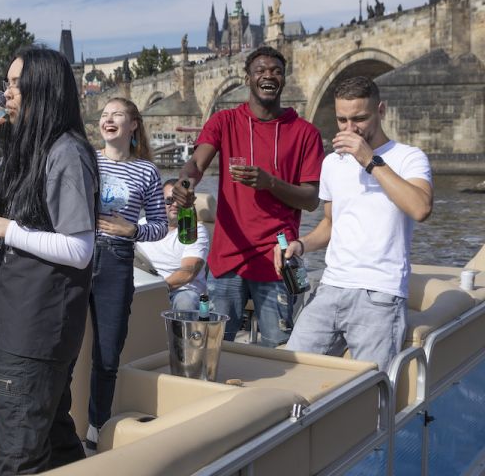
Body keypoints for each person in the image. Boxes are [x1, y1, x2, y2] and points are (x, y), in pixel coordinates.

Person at [0, 45, 98, 475]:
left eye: (17, 84)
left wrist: (5, 229)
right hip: (19, 321)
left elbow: (80, 249)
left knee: (17, 456)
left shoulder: (66, 153)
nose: (6, 94)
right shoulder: (27, 150)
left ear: (43, 89)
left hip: (38, 328)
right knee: (55, 440)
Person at [172, 46, 324, 347]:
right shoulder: (224, 121)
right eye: (261, 71)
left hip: (277, 261)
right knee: (212, 347)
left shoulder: (305, 133)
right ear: (248, 79)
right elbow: (196, 165)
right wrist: (185, 184)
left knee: (278, 351)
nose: (268, 75)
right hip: (228, 259)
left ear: (283, 79)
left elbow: (311, 200)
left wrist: (270, 183)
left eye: (276, 71)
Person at [281, 76, 432, 373]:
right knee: (293, 372)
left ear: (381, 110)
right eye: (342, 120)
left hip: (380, 296)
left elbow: (420, 208)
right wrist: (300, 245)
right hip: (330, 287)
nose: (350, 129)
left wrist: (369, 160)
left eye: (359, 119)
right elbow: (330, 223)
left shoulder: (408, 157)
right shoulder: (332, 163)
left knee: (371, 390)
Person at [85, 97, 167, 447]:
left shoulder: (146, 171)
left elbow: (161, 225)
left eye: (117, 114)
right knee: (61, 345)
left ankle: (95, 429)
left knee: (107, 354)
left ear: (133, 125)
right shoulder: (86, 160)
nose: (108, 118)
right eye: (104, 114)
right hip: (78, 255)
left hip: (117, 261)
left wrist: (131, 231)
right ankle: (56, 428)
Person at [135, 178, 210, 311]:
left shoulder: (196, 230)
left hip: (182, 290)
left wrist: (154, 289)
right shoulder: (142, 224)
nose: (175, 204)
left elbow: (187, 273)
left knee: (185, 302)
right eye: (169, 200)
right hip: (146, 288)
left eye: (179, 200)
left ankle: (185, 332)